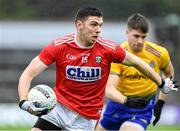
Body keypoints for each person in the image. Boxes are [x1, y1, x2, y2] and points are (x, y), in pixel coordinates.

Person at [18, 7, 177, 131]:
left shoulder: (108, 49)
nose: (98, 29)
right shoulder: (60, 46)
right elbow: (28, 74)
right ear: (79, 25)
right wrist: (23, 101)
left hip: (85, 119)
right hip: (58, 108)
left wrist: (161, 83)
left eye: (100, 25)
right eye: (93, 24)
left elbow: (137, 62)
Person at [96, 13, 178, 131]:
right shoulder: (117, 54)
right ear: (127, 32)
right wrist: (127, 101)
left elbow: (169, 74)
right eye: (136, 36)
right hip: (118, 105)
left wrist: (161, 102)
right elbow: (109, 90)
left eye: (143, 37)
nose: (140, 41)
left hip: (142, 109)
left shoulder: (159, 53)